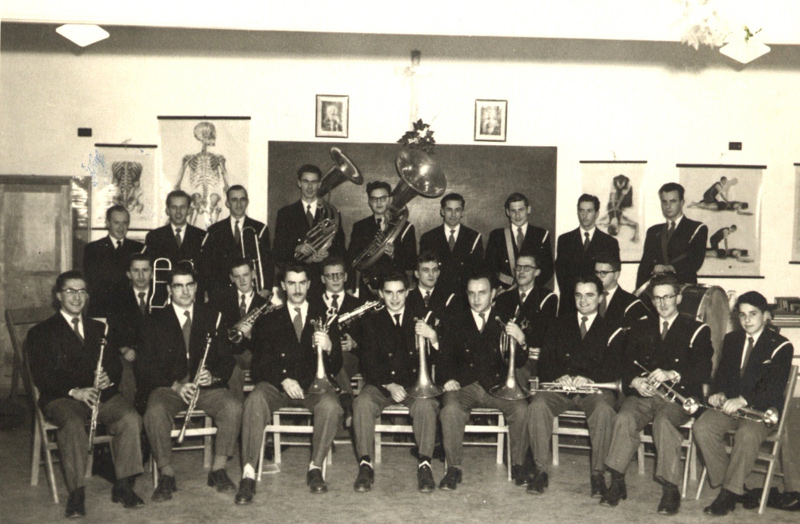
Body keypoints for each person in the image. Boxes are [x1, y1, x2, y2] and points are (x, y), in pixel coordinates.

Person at [28, 271, 144, 518]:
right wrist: (75, 391)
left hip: (99, 395)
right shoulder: (41, 332)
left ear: (87, 295)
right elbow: (42, 376)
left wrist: (108, 378)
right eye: (70, 291)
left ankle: (123, 485)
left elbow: (114, 364)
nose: (76, 297)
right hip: (63, 397)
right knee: (71, 423)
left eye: (81, 291)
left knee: (130, 418)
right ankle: (76, 493)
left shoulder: (99, 327)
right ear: (59, 296)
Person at [602, 274, 713, 515]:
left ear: (679, 298)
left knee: (663, 423)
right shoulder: (640, 326)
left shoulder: (696, 329)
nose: (662, 304)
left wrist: (674, 373)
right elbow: (624, 362)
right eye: (657, 298)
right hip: (644, 396)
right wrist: (634, 380)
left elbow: (705, 367)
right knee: (624, 418)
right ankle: (618, 482)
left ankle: (670, 489)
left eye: (668, 297)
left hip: (677, 399)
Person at [236, 264, 343, 503]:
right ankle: (248, 473)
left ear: (308, 284)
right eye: (291, 283)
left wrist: (329, 347)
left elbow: (336, 365)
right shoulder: (268, 318)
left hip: (312, 386)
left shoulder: (325, 316)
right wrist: (283, 380)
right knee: (254, 400)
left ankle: (315, 467)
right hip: (278, 384)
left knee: (331, 406)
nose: (297, 288)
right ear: (283, 286)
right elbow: (259, 365)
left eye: (301, 283)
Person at [137, 262, 241, 502]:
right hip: (169, 387)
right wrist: (175, 385)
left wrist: (213, 376)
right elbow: (144, 365)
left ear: (196, 288)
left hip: (204, 388)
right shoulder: (154, 320)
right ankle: (166, 473)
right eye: (178, 286)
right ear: (169, 290)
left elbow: (227, 359)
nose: (184, 291)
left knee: (233, 407)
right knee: (154, 412)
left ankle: (218, 469)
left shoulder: (212, 317)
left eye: (189, 285)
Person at [694, 291, 793, 516]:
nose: (747, 320)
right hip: (731, 406)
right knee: (702, 427)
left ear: (766, 315)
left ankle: (728, 494)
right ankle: (732, 487)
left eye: (753, 314)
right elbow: (722, 375)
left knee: (746, 435)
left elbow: (774, 387)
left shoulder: (781, 345)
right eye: (741, 315)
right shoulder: (732, 340)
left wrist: (744, 399)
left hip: (760, 409)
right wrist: (718, 393)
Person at [527, 275, 624, 497]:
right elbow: (545, 361)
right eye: (578, 295)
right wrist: (559, 376)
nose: (583, 301)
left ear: (600, 297)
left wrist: (589, 378)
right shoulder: (558, 324)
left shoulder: (613, 328)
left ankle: (597, 475)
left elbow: (616, 365)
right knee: (537, 405)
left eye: (590, 295)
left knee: (603, 411)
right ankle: (540, 471)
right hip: (561, 389)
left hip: (594, 390)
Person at [437, 268, 529, 490]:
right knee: (449, 410)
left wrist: (522, 341)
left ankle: (518, 464)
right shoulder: (454, 319)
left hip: (496, 386)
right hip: (464, 385)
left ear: (494, 293)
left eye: (482, 293)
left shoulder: (505, 319)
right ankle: (453, 468)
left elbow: (518, 361)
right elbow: (443, 357)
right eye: (471, 293)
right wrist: (447, 378)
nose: (476, 299)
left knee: (522, 409)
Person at [352, 270, 441, 493]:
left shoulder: (422, 316)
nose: (394, 298)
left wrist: (433, 337)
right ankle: (365, 464)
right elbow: (368, 362)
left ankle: (425, 464)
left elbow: (443, 359)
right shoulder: (370, 321)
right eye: (389, 293)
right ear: (381, 294)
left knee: (426, 405)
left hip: (413, 384)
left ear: (407, 292)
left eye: (399, 292)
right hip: (382, 384)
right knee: (361, 403)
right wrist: (388, 385)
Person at [272, 164, 346, 294]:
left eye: (314, 182)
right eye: (306, 181)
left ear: (319, 184)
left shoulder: (332, 213)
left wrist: (326, 253)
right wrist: (296, 248)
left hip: (323, 283)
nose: (310, 187)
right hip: (297, 283)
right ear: (299, 183)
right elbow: (277, 251)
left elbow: (340, 249)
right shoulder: (285, 213)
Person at [309, 256, 366, 425]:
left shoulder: (359, 304)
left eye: (339, 275)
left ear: (346, 277)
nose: (335, 279)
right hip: (318, 358)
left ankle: (327, 425)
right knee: (329, 364)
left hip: (351, 359)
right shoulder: (312, 304)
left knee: (337, 362)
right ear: (322, 279)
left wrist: (355, 344)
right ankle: (347, 404)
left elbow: (370, 340)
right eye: (330, 275)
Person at [493, 249, 558, 392]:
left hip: (532, 360)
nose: (521, 272)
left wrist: (522, 339)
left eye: (527, 268)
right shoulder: (503, 298)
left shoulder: (547, 298)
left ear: (537, 272)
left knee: (516, 379)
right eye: (518, 267)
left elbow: (544, 336)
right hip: (505, 359)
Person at [209, 257, 269, 402]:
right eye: (237, 276)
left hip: (254, 355)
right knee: (231, 368)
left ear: (254, 275)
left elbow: (268, 341)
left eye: (246, 275)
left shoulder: (265, 304)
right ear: (231, 278)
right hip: (229, 354)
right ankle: (237, 412)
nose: (242, 281)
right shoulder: (221, 301)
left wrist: (250, 336)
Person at [203, 185, 273, 303]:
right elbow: (207, 265)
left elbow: (268, 262)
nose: (239, 204)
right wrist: (207, 292)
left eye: (242, 199)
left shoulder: (259, 229)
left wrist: (267, 288)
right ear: (227, 203)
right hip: (222, 294)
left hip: (252, 292)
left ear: (247, 202)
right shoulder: (214, 230)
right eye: (234, 200)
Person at [346, 181, 417, 297]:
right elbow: (352, 260)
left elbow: (412, 262)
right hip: (368, 287)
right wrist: (349, 287)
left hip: (396, 289)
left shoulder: (406, 227)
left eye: (383, 198)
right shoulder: (359, 227)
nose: (378, 202)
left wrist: (394, 253)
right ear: (369, 202)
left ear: (390, 200)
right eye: (374, 199)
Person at [555, 194, 619, 315]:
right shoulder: (565, 240)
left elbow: (611, 276)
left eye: (589, 211)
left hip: (597, 304)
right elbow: (561, 275)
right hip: (570, 303)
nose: (584, 215)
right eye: (581, 211)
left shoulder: (609, 242)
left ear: (597, 214)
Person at [636, 183, 707, 289]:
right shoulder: (653, 231)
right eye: (664, 202)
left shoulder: (696, 228)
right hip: (657, 291)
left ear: (682, 202)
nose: (667, 206)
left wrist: (669, 267)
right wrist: (639, 292)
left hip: (683, 290)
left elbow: (695, 261)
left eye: (673, 201)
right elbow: (644, 266)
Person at [107, 253, 154, 409]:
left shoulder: (162, 296)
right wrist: (124, 348)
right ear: (128, 274)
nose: (141, 275)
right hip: (129, 354)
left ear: (152, 272)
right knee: (127, 377)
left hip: (155, 353)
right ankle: (131, 420)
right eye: (135, 270)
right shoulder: (117, 298)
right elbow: (111, 330)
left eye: (145, 270)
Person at [83, 205, 144, 317]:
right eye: (116, 222)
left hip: (130, 311)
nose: (121, 227)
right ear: (107, 223)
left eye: (125, 223)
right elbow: (92, 282)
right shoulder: (93, 249)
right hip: (102, 310)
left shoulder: (139, 248)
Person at [144, 190, 207, 298]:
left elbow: (205, 272)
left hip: (193, 297)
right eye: (174, 207)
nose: (178, 212)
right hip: (163, 297)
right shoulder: (154, 236)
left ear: (189, 210)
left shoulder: (202, 236)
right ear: (167, 210)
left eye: (182, 207)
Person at [419, 193, 484, 296]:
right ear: (442, 211)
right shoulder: (428, 238)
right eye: (449, 210)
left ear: (462, 212)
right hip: (437, 294)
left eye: (457, 210)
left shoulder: (474, 237)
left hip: (465, 295)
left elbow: (478, 271)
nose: (453, 215)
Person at [485, 192, 553, 290]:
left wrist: (530, 288)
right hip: (505, 291)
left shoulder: (541, 235)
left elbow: (547, 269)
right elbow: (489, 269)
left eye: (521, 210)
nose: (517, 215)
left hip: (533, 291)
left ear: (528, 209)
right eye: (513, 211)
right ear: (507, 212)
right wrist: (498, 288)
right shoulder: (497, 236)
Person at [593, 251, 649, 331]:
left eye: (603, 273)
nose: (598, 277)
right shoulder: (588, 298)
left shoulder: (631, 302)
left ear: (616, 275)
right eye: (596, 273)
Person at [406, 251, 459, 318]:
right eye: (426, 270)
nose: (431, 274)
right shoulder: (407, 298)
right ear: (417, 274)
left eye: (434, 270)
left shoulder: (448, 298)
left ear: (438, 273)